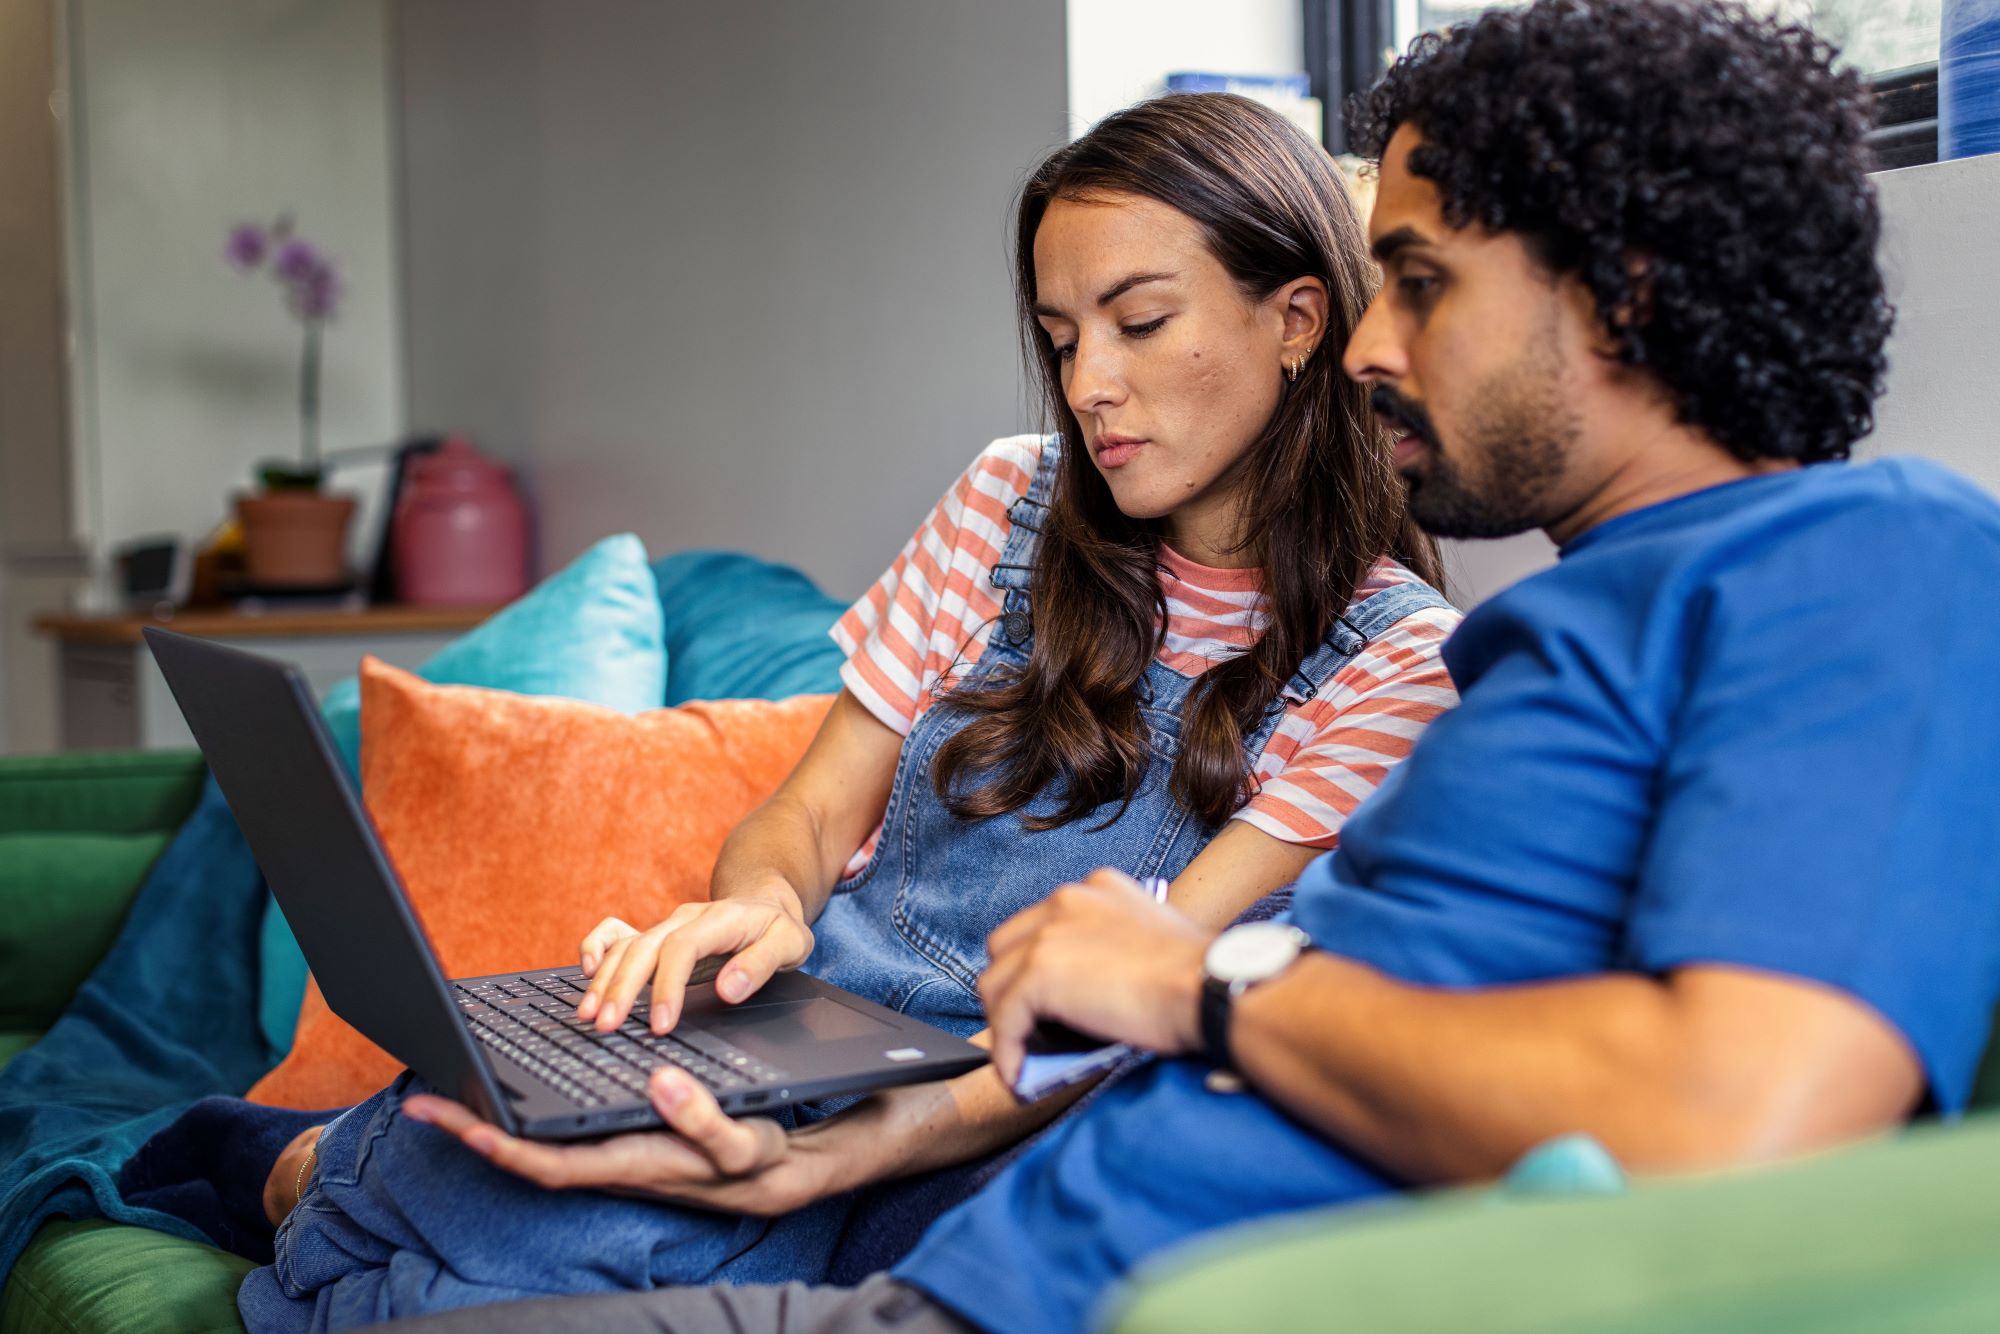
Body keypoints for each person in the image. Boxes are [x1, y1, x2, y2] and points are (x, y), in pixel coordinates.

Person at [380, 2, 2000, 1331]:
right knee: (436, 1193)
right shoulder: (1572, 619)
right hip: (1005, 1246)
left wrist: (1198, 980)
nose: (1373, 347)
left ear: (1625, 291)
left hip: (1075, 1283)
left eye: (1419, 285)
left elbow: (1742, 1115)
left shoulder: (1877, 555)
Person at [234, 92, 1459, 1331]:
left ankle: (318, 1180)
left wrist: (850, 1149)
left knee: (501, 1232)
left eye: (1139, 323)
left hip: (992, 1113)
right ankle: (341, 1180)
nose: (1090, 384)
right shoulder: (1006, 501)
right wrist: (756, 909)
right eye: (1059, 334)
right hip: (803, 1031)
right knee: (510, 1137)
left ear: (1296, 318)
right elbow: (809, 814)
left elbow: (1119, 1015)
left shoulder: (1395, 663)